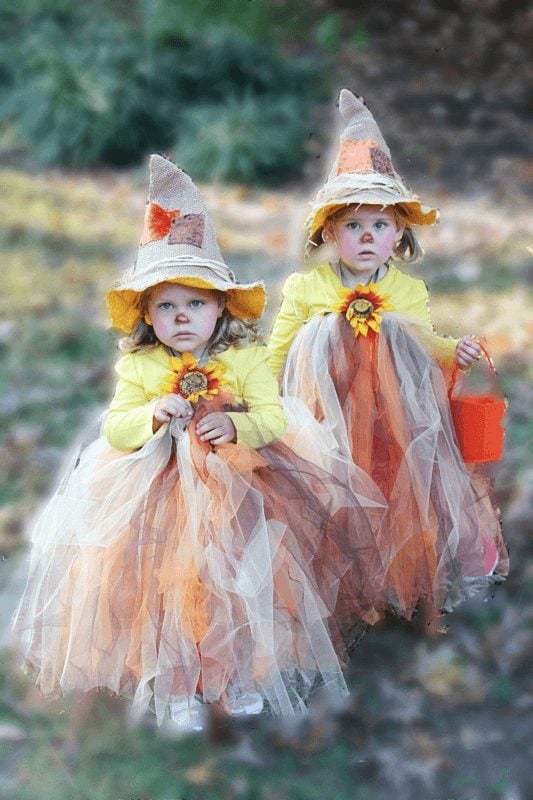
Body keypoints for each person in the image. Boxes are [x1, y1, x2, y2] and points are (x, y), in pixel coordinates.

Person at [12, 155, 385, 733]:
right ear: (147, 315)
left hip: (240, 491)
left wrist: (236, 426)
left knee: (238, 581)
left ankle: (236, 675)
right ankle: (180, 683)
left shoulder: (244, 358)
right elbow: (116, 428)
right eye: (166, 305)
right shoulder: (140, 366)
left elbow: (272, 418)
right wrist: (151, 416)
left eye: (196, 303)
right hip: (156, 494)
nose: (182, 317)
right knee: (168, 587)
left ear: (220, 308)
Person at [269, 90, 508, 626]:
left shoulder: (407, 292)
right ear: (330, 232)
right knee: (339, 486)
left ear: (399, 232)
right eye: (353, 226)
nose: (367, 237)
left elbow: (425, 345)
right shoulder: (307, 288)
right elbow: (279, 351)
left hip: (395, 414)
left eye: (379, 225)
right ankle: (348, 576)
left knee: (408, 483)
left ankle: (431, 561)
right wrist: (254, 398)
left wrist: (457, 351)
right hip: (330, 409)